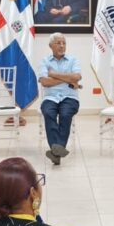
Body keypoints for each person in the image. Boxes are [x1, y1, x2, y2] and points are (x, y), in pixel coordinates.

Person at [38, 33, 82, 165]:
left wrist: (54, 74)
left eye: (64, 43)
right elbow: (45, 82)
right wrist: (67, 79)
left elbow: (77, 77)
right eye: (58, 43)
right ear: (50, 46)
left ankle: (55, 151)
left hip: (70, 97)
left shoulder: (73, 60)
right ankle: (58, 150)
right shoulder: (44, 61)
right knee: (48, 112)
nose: (62, 46)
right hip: (50, 97)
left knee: (65, 114)